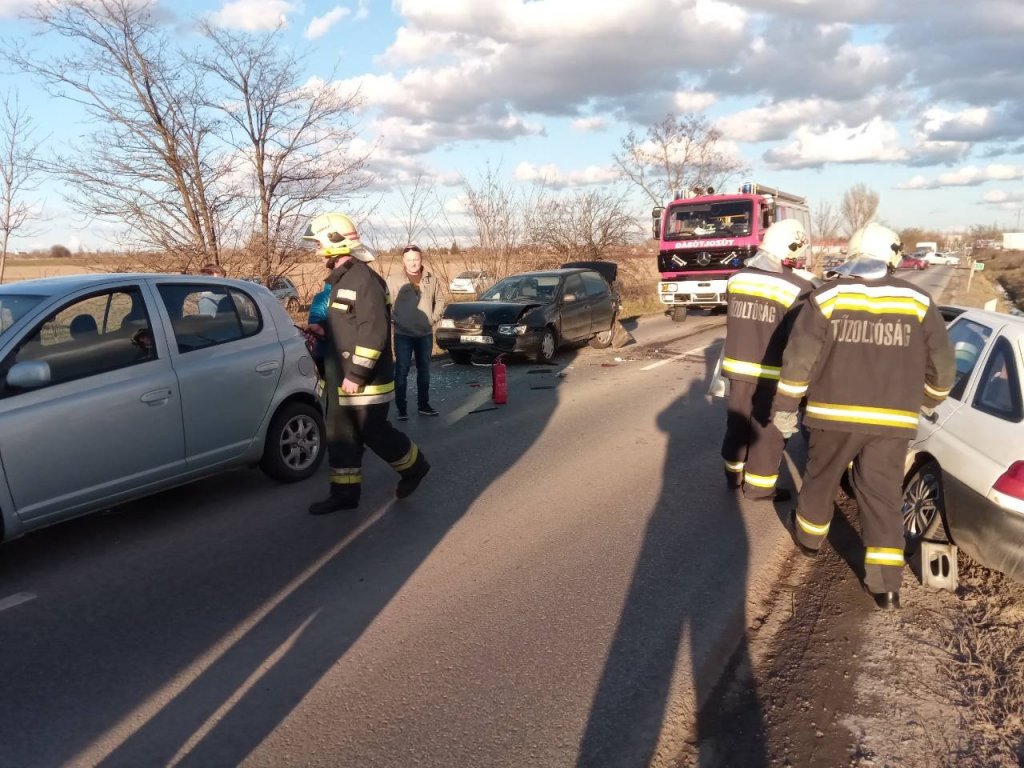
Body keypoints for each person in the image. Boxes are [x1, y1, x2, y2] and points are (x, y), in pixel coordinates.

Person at [771, 223, 955, 610]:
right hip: (893, 421)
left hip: (831, 416)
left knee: (820, 481)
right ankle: (886, 587)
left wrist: (786, 408)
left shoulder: (827, 297)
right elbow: (942, 368)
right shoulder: (919, 301)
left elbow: (799, 360)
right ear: (891, 257)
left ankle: (808, 541)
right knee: (883, 497)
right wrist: (925, 399)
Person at [301, 212, 430, 515]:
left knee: (373, 432)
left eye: (319, 245)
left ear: (335, 243)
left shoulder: (364, 280)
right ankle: (344, 494)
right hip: (341, 376)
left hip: (364, 379)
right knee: (341, 435)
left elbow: (373, 333)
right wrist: (323, 333)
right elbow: (348, 326)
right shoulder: (343, 281)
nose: (317, 251)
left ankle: (416, 467)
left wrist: (357, 373)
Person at [721, 218, 814, 501]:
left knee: (737, 423)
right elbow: (801, 338)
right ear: (790, 248)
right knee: (767, 431)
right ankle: (759, 489)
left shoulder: (736, 279)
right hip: (772, 372)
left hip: (737, 369)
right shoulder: (799, 288)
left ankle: (732, 474)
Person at [386, 244, 445, 419]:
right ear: (404, 261)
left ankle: (424, 405)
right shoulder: (394, 280)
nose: (413, 263)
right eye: (409, 260)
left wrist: (432, 319)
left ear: (421, 260)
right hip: (403, 335)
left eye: (416, 259)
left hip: (424, 334)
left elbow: (440, 299)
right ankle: (401, 409)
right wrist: (395, 319)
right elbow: (385, 303)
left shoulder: (431, 279)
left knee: (424, 371)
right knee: (402, 372)